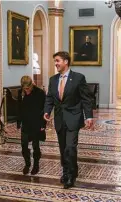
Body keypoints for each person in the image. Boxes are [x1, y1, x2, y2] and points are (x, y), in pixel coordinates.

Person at [44, 51, 94, 189]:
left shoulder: (78, 78)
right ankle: (66, 171)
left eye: (58, 60)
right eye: (55, 61)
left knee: (70, 148)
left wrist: (88, 116)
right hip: (60, 119)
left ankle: (71, 175)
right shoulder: (53, 79)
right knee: (62, 148)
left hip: (73, 118)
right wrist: (47, 111)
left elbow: (86, 99)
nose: (55, 64)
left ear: (66, 61)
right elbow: (49, 98)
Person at [17, 76, 46, 175]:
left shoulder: (40, 93)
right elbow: (19, 108)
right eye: (25, 89)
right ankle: (27, 164)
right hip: (25, 123)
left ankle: (36, 165)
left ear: (32, 85)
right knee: (24, 146)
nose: (27, 90)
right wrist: (18, 122)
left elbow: (44, 110)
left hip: (36, 123)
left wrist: (43, 124)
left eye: (28, 88)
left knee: (35, 146)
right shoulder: (20, 92)